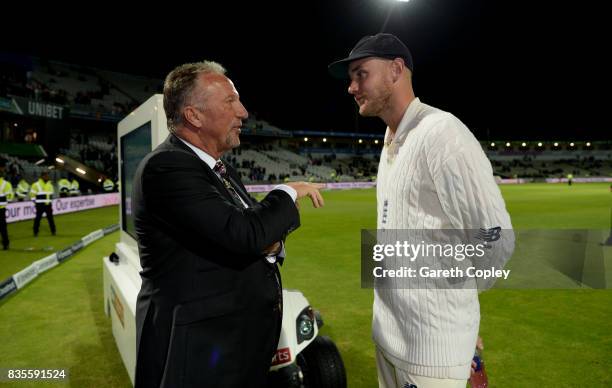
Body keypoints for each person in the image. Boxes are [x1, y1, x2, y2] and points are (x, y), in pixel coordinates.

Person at [329, 33, 514, 388]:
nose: (351, 87)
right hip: (389, 341)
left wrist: (459, 308)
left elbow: (495, 238)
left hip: (431, 354)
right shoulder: (391, 140)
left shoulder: (442, 134)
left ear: (396, 70)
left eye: (360, 74)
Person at [132, 60, 325, 388]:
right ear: (194, 115)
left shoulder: (218, 168)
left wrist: (267, 239)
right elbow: (249, 233)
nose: (244, 112)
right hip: (195, 356)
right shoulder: (167, 167)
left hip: (230, 348)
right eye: (230, 101)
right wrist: (287, 191)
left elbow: (255, 231)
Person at [30, 171, 56, 237]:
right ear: (42, 176)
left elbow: (51, 195)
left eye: (47, 176)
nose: (47, 177)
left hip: (48, 205)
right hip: (40, 205)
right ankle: (35, 232)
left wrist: (50, 202)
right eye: (46, 176)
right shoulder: (36, 184)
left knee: (50, 219)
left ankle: (53, 231)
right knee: (38, 219)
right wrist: (36, 203)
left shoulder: (50, 185)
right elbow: (32, 195)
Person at [0, 162, 14, 250]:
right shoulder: (6, 184)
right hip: (1, 209)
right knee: (3, 227)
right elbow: (10, 196)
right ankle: (6, 244)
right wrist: (4, 203)